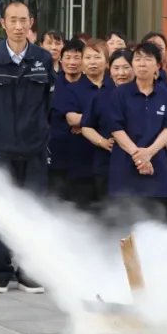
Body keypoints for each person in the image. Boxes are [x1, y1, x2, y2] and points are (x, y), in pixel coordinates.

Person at [0, 1, 51, 294]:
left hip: (34, 149)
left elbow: (47, 103)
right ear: (2, 24)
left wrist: (40, 135)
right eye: (12, 20)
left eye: (24, 20)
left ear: (31, 23)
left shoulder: (43, 59)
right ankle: (0, 271)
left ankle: (30, 272)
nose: (19, 26)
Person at [106, 43, 167, 226]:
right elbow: (116, 128)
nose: (142, 63)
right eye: (137, 59)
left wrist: (149, 153)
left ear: (158, 65)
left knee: (155, 225)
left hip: (156, 169)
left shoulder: (165, 95)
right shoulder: (120, 94)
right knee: (124, 226)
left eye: (148, 59)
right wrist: (139, 157)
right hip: (125, 169)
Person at [59, 39, 107, 208]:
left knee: (112, 217)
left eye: (97, 57)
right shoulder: (73, 89)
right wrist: (104, 123)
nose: (92, 62)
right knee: (82, 217)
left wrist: (86, 123)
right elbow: (72, 118)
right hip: (80, 164)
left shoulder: (115, 88)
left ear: (106, 61)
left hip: (110, 165)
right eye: (88, 58)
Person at [81, 49, 134, 200]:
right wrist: (102, 142)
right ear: (109, 70)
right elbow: (86, 126)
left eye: (126, 67)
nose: (121, 73)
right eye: (116, 68)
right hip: (107, 165)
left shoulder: (144, 95)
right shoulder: (101, 95)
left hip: (137, 166)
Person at [48, 39, 84, 198]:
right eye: (68, 57)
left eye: (77, 57)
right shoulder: (53, 84)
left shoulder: (91, 85)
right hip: (56, 155)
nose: (72, 62)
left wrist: (84, 123)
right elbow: (71, 119)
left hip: (84, 158)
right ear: (61, 60)